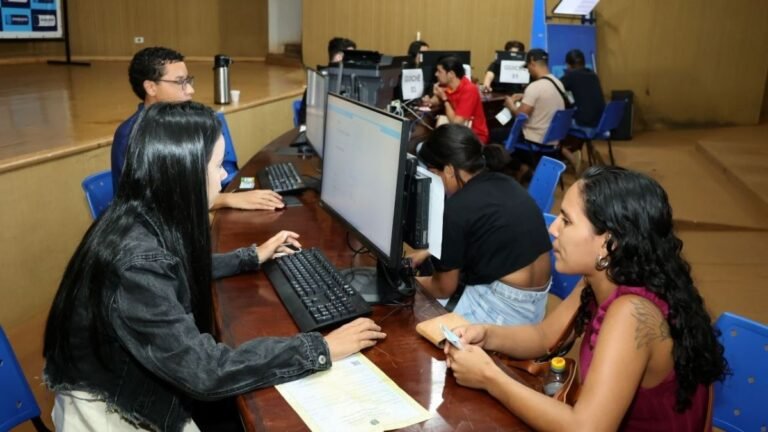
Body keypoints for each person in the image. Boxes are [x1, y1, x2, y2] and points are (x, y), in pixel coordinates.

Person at [44, 102, 386, 432]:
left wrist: (250, 256)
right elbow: (204, 371)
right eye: (218, 165)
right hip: (121, 412)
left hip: (133, 389)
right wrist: (320, 348)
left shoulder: (141, 213)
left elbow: (174, 266)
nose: (224, 177)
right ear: (184, 172)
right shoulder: (138, 265)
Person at [444, 166, 728, 431]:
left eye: (566, 221)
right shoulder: (603, 278)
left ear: (608, 242)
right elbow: (544, 336)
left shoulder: (631, 313)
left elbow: (586, 427)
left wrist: (490, 378)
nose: (553, 229)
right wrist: (487, 334)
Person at [112, 47, 285, 211]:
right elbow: (153, 204)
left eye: (188, 81)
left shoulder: (195, 121)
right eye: (180, 82)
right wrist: (226, 199)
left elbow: (228, 172)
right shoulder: (132, 135)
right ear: (151, 87)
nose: (190, 90)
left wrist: (252, 185)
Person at [410, 124, 552, 325]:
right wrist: (429, 251)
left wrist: (410, 280)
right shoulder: (506, 182)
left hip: (501, 309)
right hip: (537, 303)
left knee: (410, 307)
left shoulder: (456, 208)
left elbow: (443, 288)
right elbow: (485, 232)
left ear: (449, 170)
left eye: (434, 172)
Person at [503, 48, 566, 170]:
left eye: (527, 67)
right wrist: (525, 96)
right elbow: (545, 98)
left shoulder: (535, 87)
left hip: (534, 141)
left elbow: (520, 116)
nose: (528, 71)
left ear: (532, 62)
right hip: (552, 140)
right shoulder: (558, 83)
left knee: (495, 135)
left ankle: (520, 169)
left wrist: (510, 105)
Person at [422, 56, 489, 144]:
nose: (436, 74)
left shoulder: (469, 90)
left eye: (439, 71)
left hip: (474, 137)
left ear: (451, 74)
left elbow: (456, 124)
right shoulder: (447, 85)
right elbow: (437, 99)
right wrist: (430, 101)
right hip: (456, 134)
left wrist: (445, 99)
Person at [560, 49, 606, 172]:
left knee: (552, 128)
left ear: (568, 65)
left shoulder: (571, 76)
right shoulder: (593, 75)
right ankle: (578, 152)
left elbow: (554, 87)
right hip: (600, 125)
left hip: (585, 125)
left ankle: (572, 158)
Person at [298, 37, 357, 125]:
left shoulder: (353, 82)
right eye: (351, 58)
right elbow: (306, 120)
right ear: (339, 57)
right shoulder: (318, 83)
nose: (354, 62)